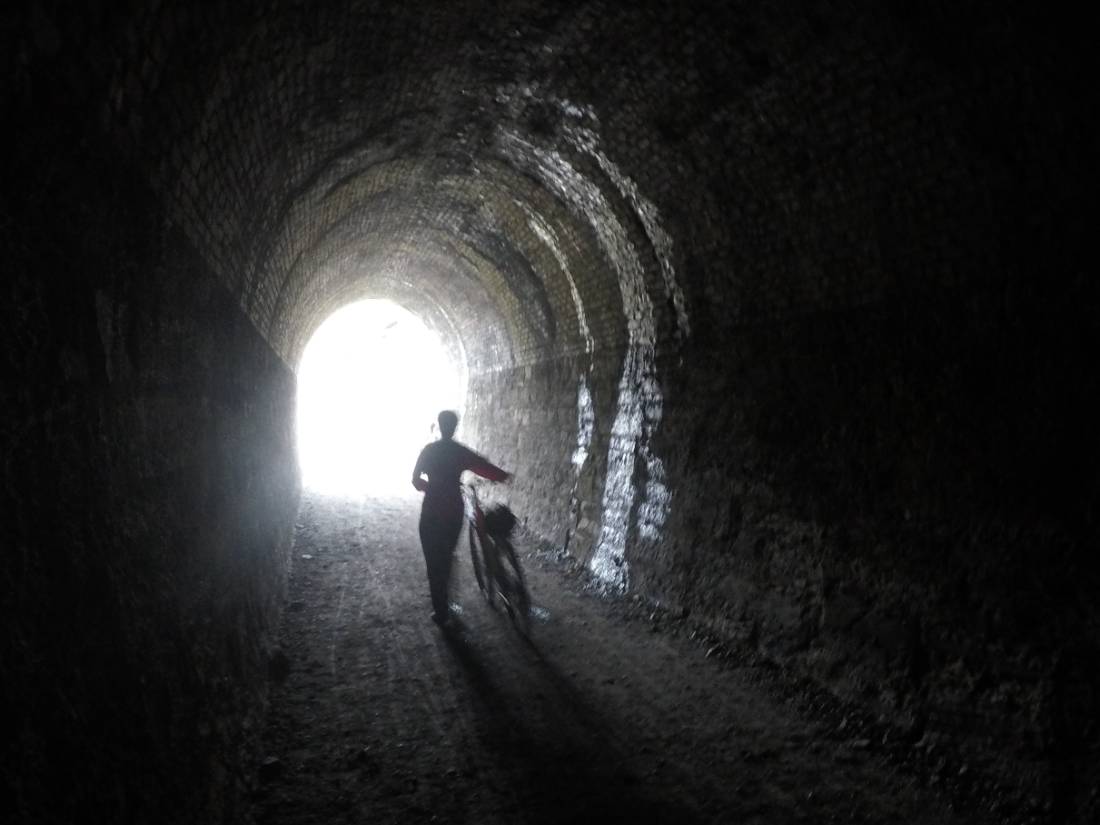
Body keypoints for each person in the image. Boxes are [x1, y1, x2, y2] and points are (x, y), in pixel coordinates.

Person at [412, 410, 510, 625]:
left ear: (439, 425)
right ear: (454, 427)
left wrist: (432, 488)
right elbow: (484, 467)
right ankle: (445, 603)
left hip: (430, 512)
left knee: (433, 561)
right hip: (452, 513)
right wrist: (503, 476)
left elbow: (415, 480)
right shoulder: (459, 452)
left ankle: (440, 610)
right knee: (446, 556)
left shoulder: (429, 451)